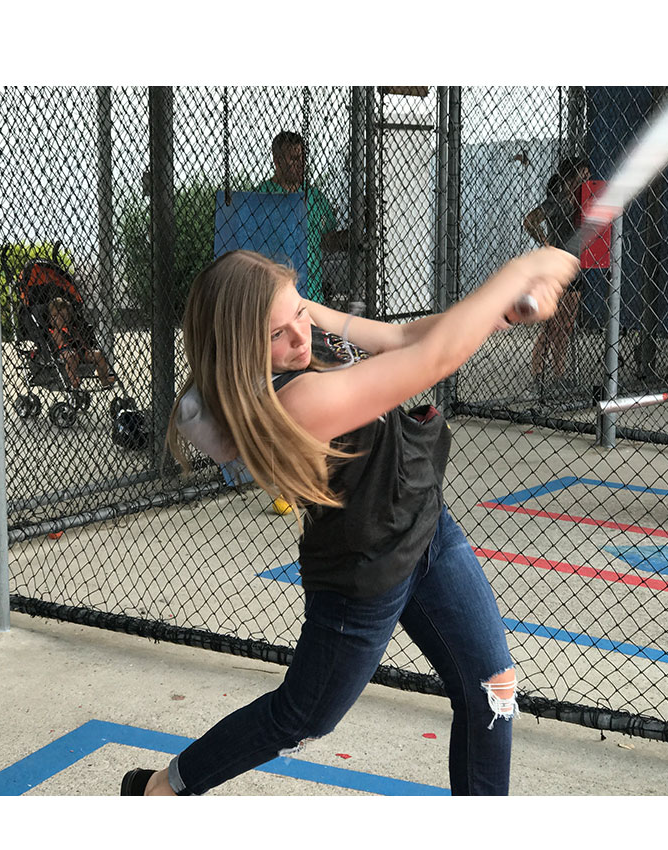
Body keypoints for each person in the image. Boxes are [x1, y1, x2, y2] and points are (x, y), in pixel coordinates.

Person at [120, 244, 577, 797]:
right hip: (364, 574)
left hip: (428, 528)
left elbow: (406, 338)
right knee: (303, 717)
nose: (299, 335)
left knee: (492, 689)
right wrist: (515, 272)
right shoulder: (293, 401)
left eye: (300, 313)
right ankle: (163, 789)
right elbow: (430, 361)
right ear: (240, 351)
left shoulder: (295, 325)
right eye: (277, 333)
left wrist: (502, 310)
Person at [255, 131, 347, 304]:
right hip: (274, 293)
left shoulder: (314, 196)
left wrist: (352, 235)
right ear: (278, 161)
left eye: (302, 158)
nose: (300, 164)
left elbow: (327, 240)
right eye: (294, 159)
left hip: (311, 295)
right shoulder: (262, 196)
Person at [522, 156, 590, 386]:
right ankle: (537, 374)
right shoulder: (558, 202)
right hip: (556, 269)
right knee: (553, 326)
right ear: (573, 177)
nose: (587, 177)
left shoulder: (583, 202)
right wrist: (545, 242)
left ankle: (559, 374)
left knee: (566, 327)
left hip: (574, 269)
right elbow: (529, 220)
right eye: (583, 173)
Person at [46, 297, 115, 389]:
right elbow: (55, 343)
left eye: (62, 316)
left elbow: (82, 339)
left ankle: (104, 379)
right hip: (64, 353)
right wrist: (59, 327)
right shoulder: (53, 330)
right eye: (54, 316)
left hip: (81, 350)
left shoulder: (73, 327)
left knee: (98, 354)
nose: (58, 319)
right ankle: (74, 381)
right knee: (71, 357)